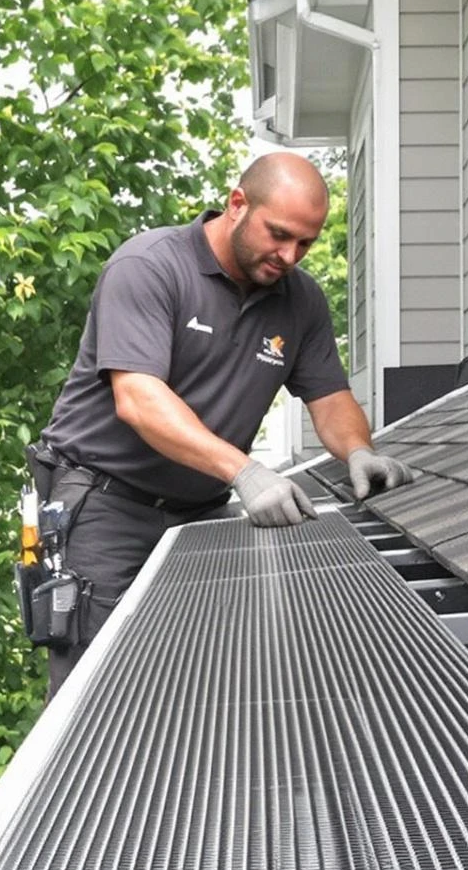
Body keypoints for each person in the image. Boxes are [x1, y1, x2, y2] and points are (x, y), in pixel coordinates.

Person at [28, 152, 413, 692]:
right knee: (99, 685)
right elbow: (138, 397)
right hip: (105, 504)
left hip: (198, 509)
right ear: (237, 204)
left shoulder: (300, 301)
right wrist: (245, 472)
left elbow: (329, 397)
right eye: (278, 234)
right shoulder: (151, 266)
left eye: (305, 243)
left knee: (204, 673)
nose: (289, 255)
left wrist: (359, 451)